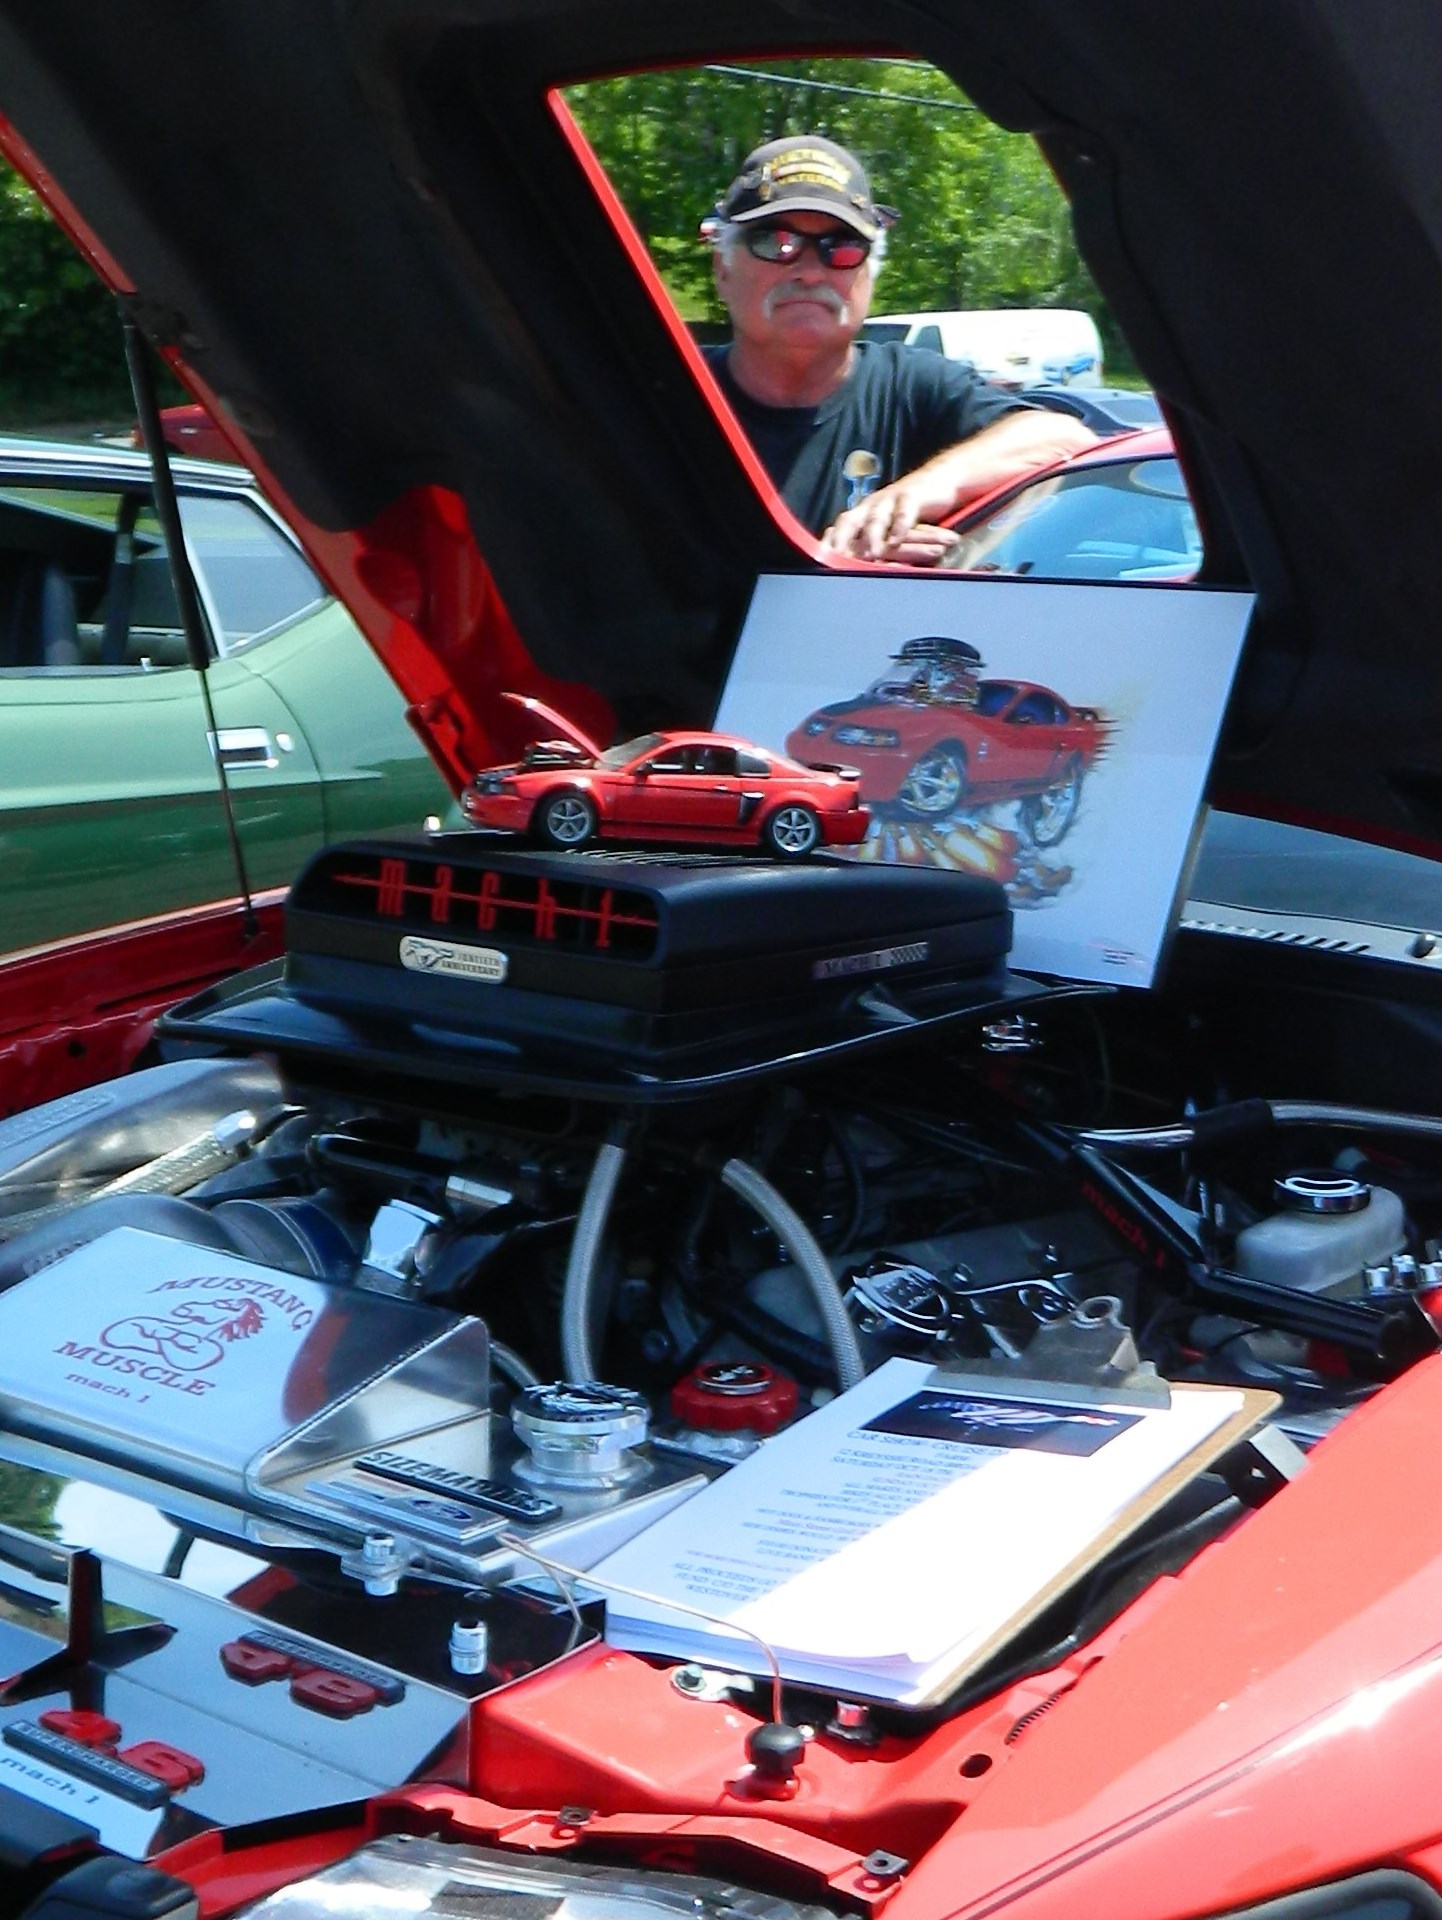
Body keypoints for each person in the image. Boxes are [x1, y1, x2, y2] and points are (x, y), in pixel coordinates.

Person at [702, 135, 1097, 562]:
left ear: (869, 276)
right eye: (776, 242)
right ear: (723, 269)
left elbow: (1065, 439)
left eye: (842, 248)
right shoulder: (673, 390)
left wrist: (922, 492)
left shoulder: (910, 387)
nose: (810, 272)